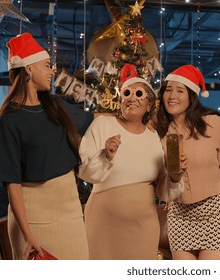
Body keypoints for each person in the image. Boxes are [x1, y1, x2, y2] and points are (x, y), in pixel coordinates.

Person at [0, 32, 93, 260]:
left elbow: (95, 120)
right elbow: (13, 184)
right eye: (47, 65)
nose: (52, 71)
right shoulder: (8, 120)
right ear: (28, 69)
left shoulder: (54, 105)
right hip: (34, 219)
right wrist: (28, 235)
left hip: (71, 212)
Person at [78, 64, 186, 260]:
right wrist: (105, 155)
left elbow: (163, 190)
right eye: (127, 93)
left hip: (143, 228)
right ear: (120, 100)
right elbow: (85, 172)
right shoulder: (102, 124)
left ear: (149, 105)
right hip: (103, 225)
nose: (132, 98)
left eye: (139, 94)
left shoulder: (154, 138)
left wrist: (175, 178)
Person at [155, 65, 220, 260]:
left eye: (180, 91)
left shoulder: (213, 124)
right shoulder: (159, 131)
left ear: (191, 97)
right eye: (168, 89)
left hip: (215, 211)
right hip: (180, 213)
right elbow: (161, 179)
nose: (172, 95)